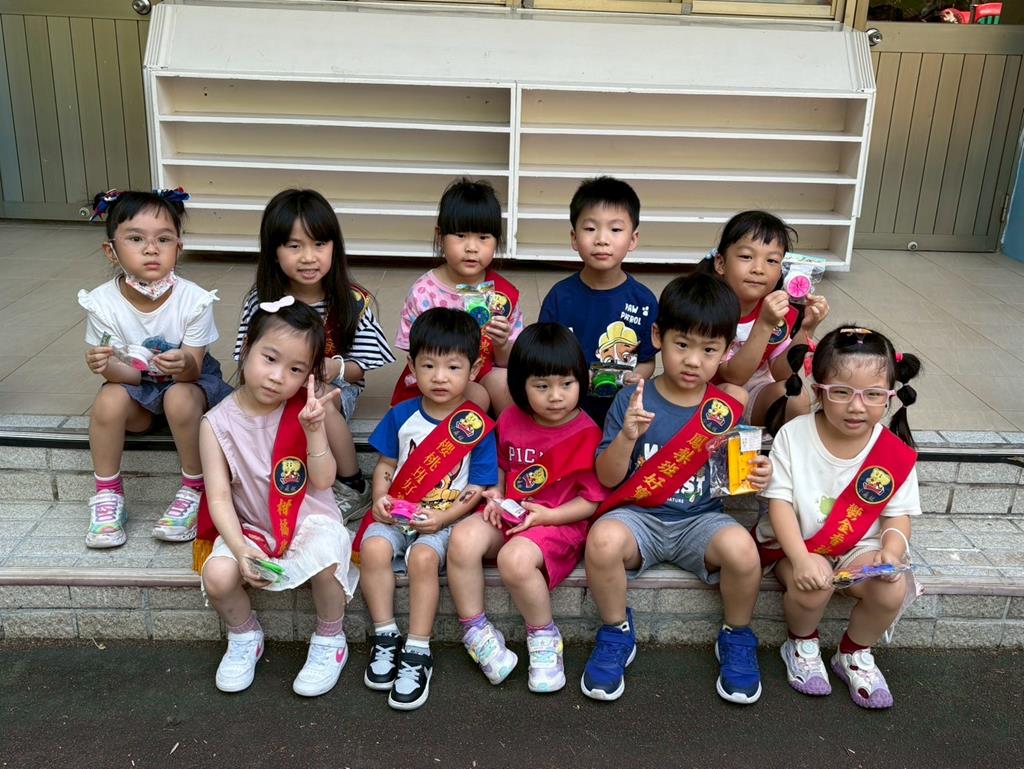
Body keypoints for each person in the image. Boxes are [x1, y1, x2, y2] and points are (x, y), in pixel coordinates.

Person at [581, 273, 772, 704]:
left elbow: (737, 483)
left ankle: (737, 635)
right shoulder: (632, 399)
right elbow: (607, 477)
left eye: (709, 350)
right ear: (657, 337)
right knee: (602, 540)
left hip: (701, 520)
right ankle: (615, 630)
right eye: (681, 344)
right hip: (638, 518)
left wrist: (760, 474)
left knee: (744, 552)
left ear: (727, 351)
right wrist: (627, 436)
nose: (693, 361)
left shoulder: (723, 408)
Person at [197, 298, 359, 696]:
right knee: (217, 576)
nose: (277, 377)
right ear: (246, 348)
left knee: (328, 557)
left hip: (307, 521)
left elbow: (324, 479)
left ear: (309, 375)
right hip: (252, 527)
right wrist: (240, 549)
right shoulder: (216, 422)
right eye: (269, 359)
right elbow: (219, 498)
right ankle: (244, 635)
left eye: (295, 369)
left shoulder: (305, 411)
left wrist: (315, 431)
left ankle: (330, 639)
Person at [756, 326, 922, 709]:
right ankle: (801, 643)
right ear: (818, 391)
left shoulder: (892, 451)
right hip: (796, 545)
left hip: (857, 548)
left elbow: (898, 516)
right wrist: (800, 558)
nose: (857, 406)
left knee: (890, 587)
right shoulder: (793, 436)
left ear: (891, 395)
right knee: (814, 582)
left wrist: (892, 551)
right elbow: (779, 503)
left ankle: (854, 653)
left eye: (873, 395)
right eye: (842, 392)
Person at [446, 323, 607, 693]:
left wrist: (548, 516)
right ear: (520, 384)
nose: (556, 396)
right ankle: (476, 631)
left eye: (566, 384)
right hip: (511, 512)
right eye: (542, 386)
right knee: (463, 537)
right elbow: (503, 464)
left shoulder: (587, 432)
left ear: (581, 381)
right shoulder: (510, 419)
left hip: (558, 522)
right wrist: (496, 495)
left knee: (514, 560)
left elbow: (590, 501)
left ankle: (543, 635)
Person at [355, 308, 499, 711]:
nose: (439, 377)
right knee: (372, 549)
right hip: (397, 514)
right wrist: (380, 497)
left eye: (453, 367)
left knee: (422, 558)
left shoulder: (476, 424)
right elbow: (385, 464)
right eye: (429, 365)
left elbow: (476, 487)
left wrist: (443, 519)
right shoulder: (401, 415)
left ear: (473, 370)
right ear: (411, 366)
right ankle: (385, 635)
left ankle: (418, 650)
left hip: (443, 520)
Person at [78, 188, 232, 548]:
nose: (151, 249)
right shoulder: (101, 303)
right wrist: (106, 365)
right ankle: (108, 495)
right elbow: (127, 377)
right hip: (139, 395)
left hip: (189, 389)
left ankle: (194, 489)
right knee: (108, 401)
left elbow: (193, 371)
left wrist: (184, 363)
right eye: (136, 239)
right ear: (111, 251)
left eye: (163, 239)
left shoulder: (194, 299)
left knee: (178, 397)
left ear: (179, 247)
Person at [234, 189, 394, 520]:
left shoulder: (352, 301)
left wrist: (333, 368)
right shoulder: (263, 301)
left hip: (334, 389)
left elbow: (361, 366)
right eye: (294, 246)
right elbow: (244, 357)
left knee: (318, 397)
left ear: (335, 247)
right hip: (276, 384)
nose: (309, 257)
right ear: (273, 251)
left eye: (319, 244)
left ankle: (352, 483)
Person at [391, 178, 523, 413]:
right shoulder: (424, 292)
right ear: (440, 235)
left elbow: (508, 362)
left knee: (504, 382)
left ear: (497, 240)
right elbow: (415, 356)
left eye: (483, 237)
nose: (472, 247)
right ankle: (449, 436)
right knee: (475, 394)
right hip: (437, 378)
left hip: (482, 372)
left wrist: (502, 344)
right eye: (461, 235)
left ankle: (508, 435)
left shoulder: (503, 295)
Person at [538, 176, 658, 427]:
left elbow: (647, 360)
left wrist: (637, 376)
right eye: (590, 229)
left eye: (615, 230)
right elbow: (543, 356)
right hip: (567, 410)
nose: (602, 239)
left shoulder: (643, 301)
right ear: (574, 238)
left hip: (622, 411)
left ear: (633, 239)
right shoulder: (559, 297)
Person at [698, 211, 829, 431]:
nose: (758, 269)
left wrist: (806, 329)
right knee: (734, 396)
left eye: (772, 261)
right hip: (707, 393)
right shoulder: (709, 308)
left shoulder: (780, 309)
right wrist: (765, 324)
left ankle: (780, 447)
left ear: (781, 270)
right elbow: (733, 377)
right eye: (746, 257)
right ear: (720, 263)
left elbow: (782, 373)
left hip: (756, 392)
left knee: (795, 396)